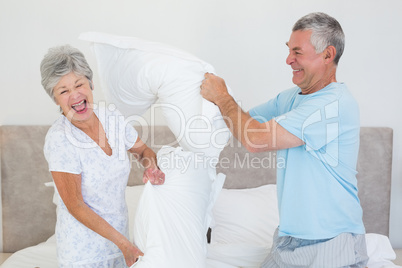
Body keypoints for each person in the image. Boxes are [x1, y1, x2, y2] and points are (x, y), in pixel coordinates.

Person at [201, 12, 368, 267]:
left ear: (327, 54)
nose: (288, 59)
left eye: (297, 52)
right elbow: (242, 122)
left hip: (331, 244)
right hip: (288, 241)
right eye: (289, 50)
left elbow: (254, 139)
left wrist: (222, 96)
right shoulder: (290, 98)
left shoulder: (333, 104)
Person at [40, 45, 165, 268]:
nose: (75, 95)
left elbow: (144, 151)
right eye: (64, 91)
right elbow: (75, 205)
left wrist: (151, 166)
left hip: (120, 246)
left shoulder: (112, 118)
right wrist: (124, 245)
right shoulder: (60, 139)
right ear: (55, 100)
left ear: (91, 84)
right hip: (84, 254)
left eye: (79, 84)